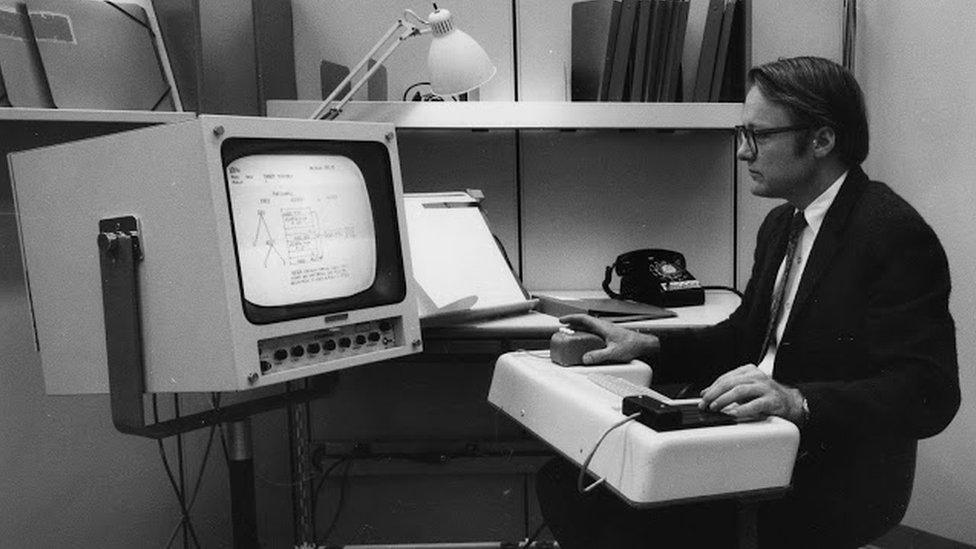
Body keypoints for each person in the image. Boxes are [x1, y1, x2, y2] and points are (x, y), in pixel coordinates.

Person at [535, 56, 960, 549]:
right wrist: (645, 343)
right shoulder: (781, 225)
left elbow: (929, 392)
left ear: (822, 140)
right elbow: (742, 337)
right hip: (755, 448)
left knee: (611, 515)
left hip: (828, 475)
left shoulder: (891, 232)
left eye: (758, 135)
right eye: (742, 133)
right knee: (566, 484)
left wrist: (797, 400)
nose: (742, 152)